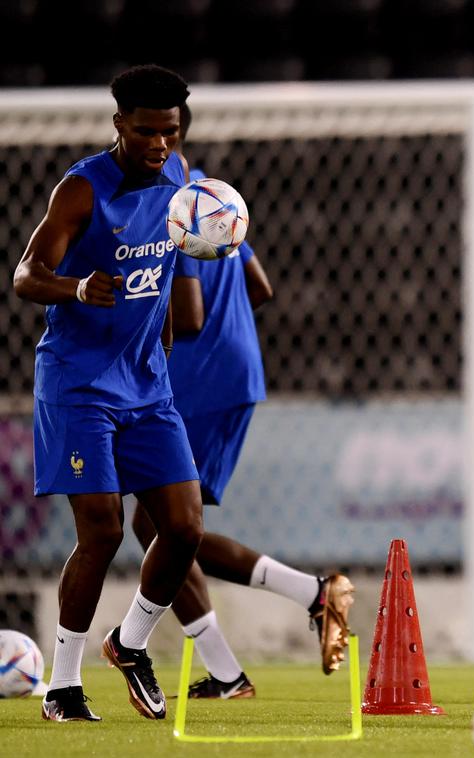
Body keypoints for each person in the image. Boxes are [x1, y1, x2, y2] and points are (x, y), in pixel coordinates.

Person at [127, 104, 353, 700]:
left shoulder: (164, 203)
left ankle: (306, 600)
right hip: (235, 370)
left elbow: (190, 317)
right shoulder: (212, 194)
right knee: (164, 527)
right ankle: (239, 663)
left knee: (163, 527)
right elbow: (261, 288)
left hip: (199, 378)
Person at [13, 65, 204, 722]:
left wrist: (166, 348)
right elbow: (26, 274)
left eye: (170, 133)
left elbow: (171, 269)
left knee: (183, 527)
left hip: (148, 389)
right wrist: (76, 286)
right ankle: (61, 686)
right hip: (79, 387)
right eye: (146, 131)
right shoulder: (81, 191)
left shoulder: (182, 181)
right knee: (102, 529)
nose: (159, 145)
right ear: (120, 125)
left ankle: (128, 642)